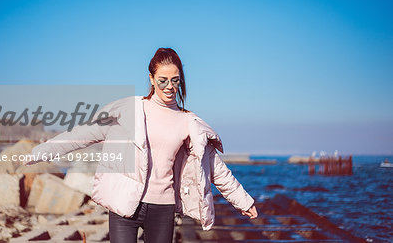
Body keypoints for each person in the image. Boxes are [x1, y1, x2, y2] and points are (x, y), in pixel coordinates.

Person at [24, 48, 258, 243]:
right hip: (125, 205)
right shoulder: (131, 110)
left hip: (162, 208)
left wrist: (243, 201)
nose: (169, 86)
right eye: (162, 80)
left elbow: (215, 168)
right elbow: (83, 133)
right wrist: (39, 152)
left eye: (175, 80)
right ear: (151, 78)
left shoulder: (189, 122)